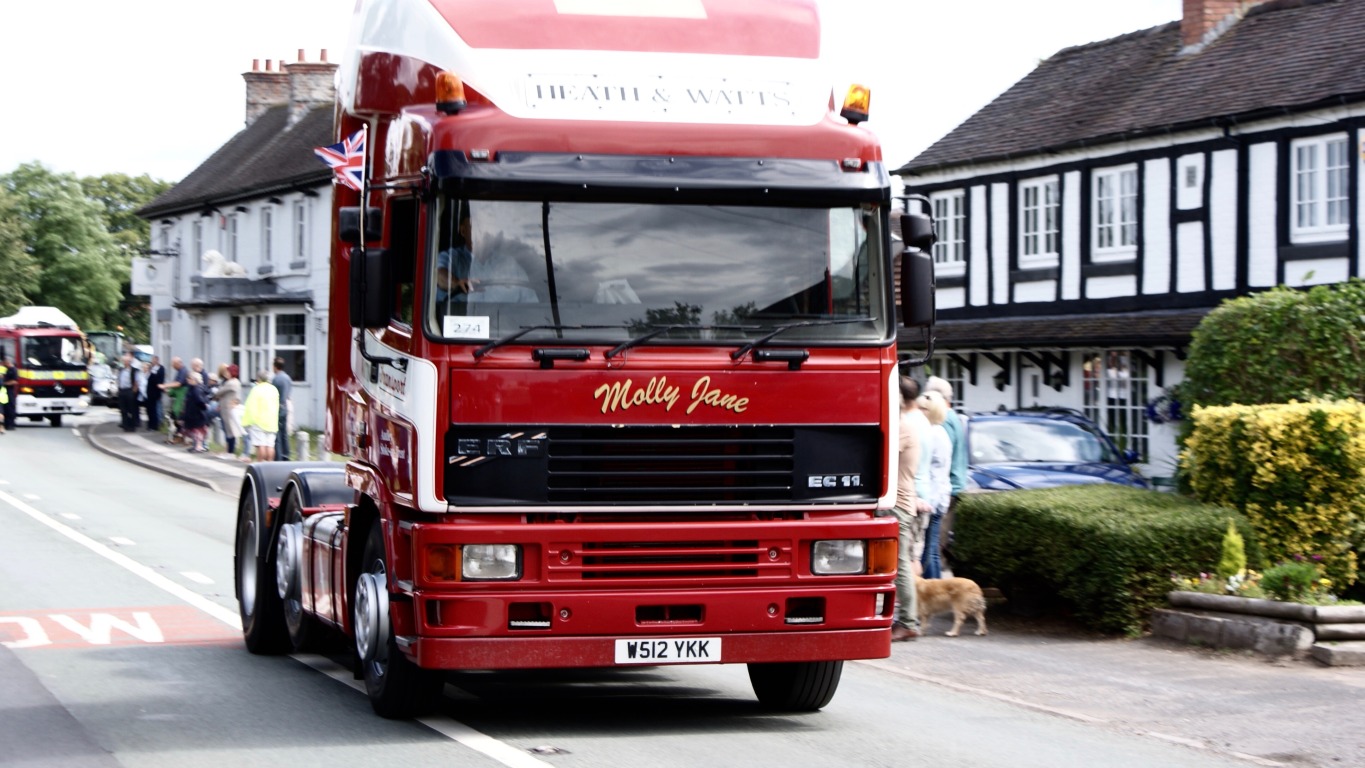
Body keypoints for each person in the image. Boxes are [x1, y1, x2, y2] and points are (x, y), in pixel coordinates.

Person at [891, 376, 932, 642]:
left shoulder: (902, 428)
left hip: (899, 503)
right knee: (899, 561)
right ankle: (905, 618)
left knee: (900, 562)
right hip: (900, 501)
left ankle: (908, 620)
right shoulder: (904, 426)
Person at [925, 376, 968, 569]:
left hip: (945, 490)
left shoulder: (945, 421)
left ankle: (936, 592)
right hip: (950, 487)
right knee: (935, 547)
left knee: (934, 547)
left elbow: (941, 458)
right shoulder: (952, 417)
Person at [916, 389, 953, 580]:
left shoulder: (932, 434)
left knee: (927, 551)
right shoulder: (940, 432)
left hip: (932, 500)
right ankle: (937, 593)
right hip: (938, 498)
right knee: (932, 550)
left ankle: (930, 592)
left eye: (923, 409)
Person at [241, 369, 280, 463]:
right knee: (270, 445)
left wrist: (247, 420)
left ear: (258, 378)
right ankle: (270, 463)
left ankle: (260, 463)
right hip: (272, 421)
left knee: (260, 445)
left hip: (259, 421)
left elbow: (250, 405)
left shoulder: (256, 389)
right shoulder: (273, 389)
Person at [215, 363, 244, 458]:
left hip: (228, 409)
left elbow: (219, 392)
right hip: (228, 409)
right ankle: (229, 451)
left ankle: (230, 452)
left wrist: (214, 395)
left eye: (227, 372)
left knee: (230, 431)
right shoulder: (236, 382)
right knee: (230, 430)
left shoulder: (231, 383)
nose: (226, 374)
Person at [181, 371, 211, 453]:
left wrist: (204, 406)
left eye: (190, 378)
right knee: (196, 431)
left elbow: (199, 401)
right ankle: (197, 446)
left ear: (195, 379)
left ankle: (199, 446)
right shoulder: (194, 388)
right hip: (196, 413)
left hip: (197, 414)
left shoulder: (196, 389)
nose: (188, 380)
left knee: (197, 431)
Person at [159, 356, 187, 443]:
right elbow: (175, 387)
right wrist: (168, 391)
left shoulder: (183, 371)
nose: (172, 366)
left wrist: (166, 386)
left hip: (182, 399)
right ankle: (177, 435)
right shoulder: (179, 372)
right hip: (178, 398)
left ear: (178, 363)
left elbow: (178, 384)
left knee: (178, 416)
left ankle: (181, 436)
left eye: (174, 364)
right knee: (174, 416)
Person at [271, 357, 293, 461]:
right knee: (284, 433)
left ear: (275, 367)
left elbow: (274, 394)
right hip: (286, 407)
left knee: (277, 435)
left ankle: (278, 456)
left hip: (278, 407)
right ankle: (286, 454)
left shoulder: (276, 379)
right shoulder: (287, 378)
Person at [116, 352, 143, 432]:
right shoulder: (121, 370)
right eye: (124, 361)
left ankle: (132, 426)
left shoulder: (134, 371)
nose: (125, 363)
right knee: (123, 409)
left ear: (129, 362)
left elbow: (137, 382)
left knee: (131, 409)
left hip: (129, 391)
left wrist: (133, 391)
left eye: (126, 361)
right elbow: (119, 379)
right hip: (122, 391)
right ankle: (125, 425)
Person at [144, 355, 165, 431]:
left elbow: (158, 380)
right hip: (149, 391)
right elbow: (146, 378)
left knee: (155, 409)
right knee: (149, 409)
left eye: (154, 360)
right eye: (152, 360)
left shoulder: (161, 368)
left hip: (156, 392)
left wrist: (152, 373)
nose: (153, 362)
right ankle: (150, 424)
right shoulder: (151, 368)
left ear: (157, 360)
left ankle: (155, 425)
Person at [0, 350, 15, 432]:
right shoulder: (5, 370)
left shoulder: (12, 370)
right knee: (3, 412)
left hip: (4, 395)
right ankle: (4, 426)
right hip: (4, 395)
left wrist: (4, 382)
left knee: (7, 410)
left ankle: (8, 425)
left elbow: (14, 381)